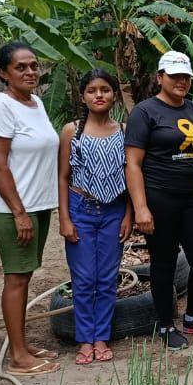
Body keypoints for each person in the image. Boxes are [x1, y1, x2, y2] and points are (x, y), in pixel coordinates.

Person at [125, 51, 193, 349]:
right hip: (159, 196)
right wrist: (141, 207)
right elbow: (133, 163)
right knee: (164, 262)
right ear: (160, 78)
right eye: (174, 76)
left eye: (185, 77)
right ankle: (166, 324)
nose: (181, 81)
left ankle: (192, 316)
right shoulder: (145, 111)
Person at [0, 41, 61, 377]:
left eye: (33, 65)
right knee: (16, 278)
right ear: (3, 73)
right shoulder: (1, 107)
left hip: (35, 204)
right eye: (20, 67)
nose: (30, 72)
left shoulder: (35, 103)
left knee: (25, 275)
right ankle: (17, 356)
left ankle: (21, 344)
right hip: (11, 207)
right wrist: (18, 212)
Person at [58, 69, 132, 366]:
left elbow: (130, 175)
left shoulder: (125, 130)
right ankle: (84, 339)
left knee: (106, 277)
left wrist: (128, 215)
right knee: (84, 277)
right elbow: (63, 177)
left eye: (105, 89)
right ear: (83, 96)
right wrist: (64, 218)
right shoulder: (71, 131)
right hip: (81, 209)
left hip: (114, 210)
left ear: (114, 95)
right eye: (92, 90)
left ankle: (101, 336)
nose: (98, 95)